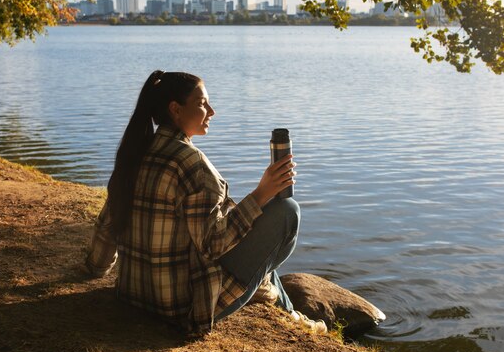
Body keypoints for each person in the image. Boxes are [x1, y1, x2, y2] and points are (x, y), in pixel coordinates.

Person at [85, 70, 326, 335]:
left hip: (133, 297)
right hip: (184, 309)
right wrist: (262, 193)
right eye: (202, 104)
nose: (212, 111)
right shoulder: (193, 165)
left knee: (256, 247)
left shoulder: (134, 152)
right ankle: (287, 310)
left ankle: (283, 306)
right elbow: (213, 245)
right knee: (286, 211)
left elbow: (109, 223)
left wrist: (96, 268)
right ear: (176, 110)